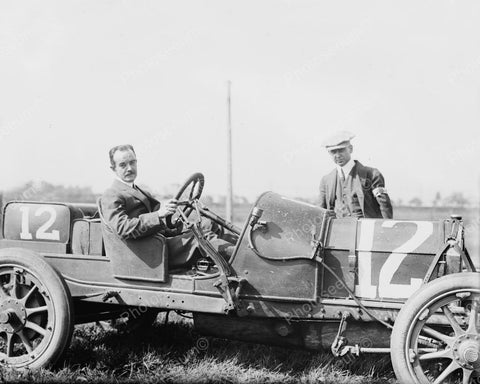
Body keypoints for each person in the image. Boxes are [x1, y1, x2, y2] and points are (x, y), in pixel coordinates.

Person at [100, 144, 234, 268]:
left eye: (132, 162)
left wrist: (170, 216)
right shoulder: (111, 195)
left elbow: (161, 221)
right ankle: (242, 260)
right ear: (113, 169)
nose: (129, 168)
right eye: (123, 165)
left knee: (208, 225)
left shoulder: (140, 191)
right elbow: (123, 228)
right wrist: (159, 215)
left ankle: (247, 249)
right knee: (200, 238)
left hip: (159, 241)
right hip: (147, 253)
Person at [319, 131, 393, 219]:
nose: (337, 155)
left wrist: (384, 229)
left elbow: (385, 207)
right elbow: (321, 211)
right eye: (333, 152)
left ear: (350, 149)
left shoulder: (372, 174)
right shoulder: (326, 180)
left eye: (341, 150)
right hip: (337, 230)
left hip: (365, 230)